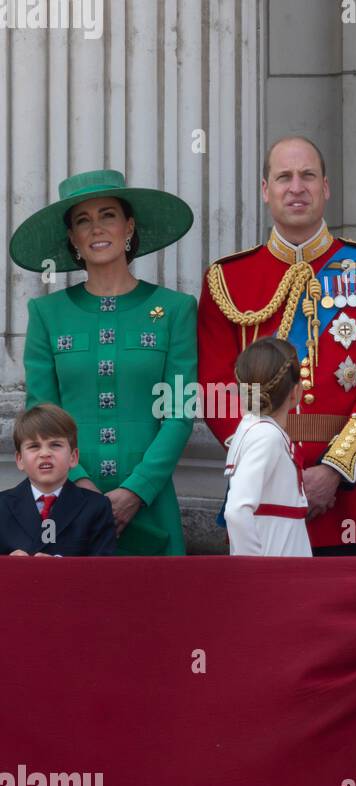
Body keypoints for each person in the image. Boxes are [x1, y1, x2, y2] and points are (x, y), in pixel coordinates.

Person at [197, 136, 356, 555]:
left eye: (308, 176)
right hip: (262, 495)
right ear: (265, 191)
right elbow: (216, 391)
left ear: (325, 187)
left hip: (348, 496)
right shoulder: (226, 279)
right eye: (284, 177)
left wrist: (334, 470)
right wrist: (271, 467)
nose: (297, 187)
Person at [10, 169, 196, 555]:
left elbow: (180, 411)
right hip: (70, 500)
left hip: (151, 499)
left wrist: (136, 489)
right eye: (83, 220)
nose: (96, 228)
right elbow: (41, 413)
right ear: (73, 240)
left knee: (156, 610)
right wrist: (80, 484)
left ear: (129, 226)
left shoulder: (176, 309)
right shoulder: (46, 313)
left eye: (108, 215)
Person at [223, 338, 312, 557]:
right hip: (276, 581)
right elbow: (237, 510)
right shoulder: (266, 436)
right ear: (296, 392)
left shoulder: (256, 429)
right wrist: (257, 574)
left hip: (281, 577)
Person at [1, 403, 115, 556]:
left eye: (55, 445)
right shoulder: (2, 506)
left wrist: (60, 568)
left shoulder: (96, 507)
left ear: (73, 457)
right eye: (34, 446)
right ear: (20, 459)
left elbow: (104, 570)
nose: (45, 453)